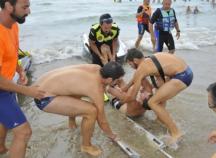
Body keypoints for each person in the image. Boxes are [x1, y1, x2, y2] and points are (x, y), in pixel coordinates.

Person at [32, 62, 125, 156]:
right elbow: (102, 120)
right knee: (92, 111)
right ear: (109, 79)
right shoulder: (95, 88)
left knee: (79, 88)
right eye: (117, 81)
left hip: (38, 86)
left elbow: (80, 85)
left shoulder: (97, 68)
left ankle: (71, 122)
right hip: (43, 99)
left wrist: (112, 86)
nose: (117, 83)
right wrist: (111, 135)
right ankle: (86, 146)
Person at [0, 0, 45, 157]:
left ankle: (1, 149)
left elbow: (12, 52)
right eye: (24, 7)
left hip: (6, 84)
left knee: (4, 121)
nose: (29, 11)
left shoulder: (13, 25)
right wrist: (28, 91)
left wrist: (20, 70)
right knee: (24, 132)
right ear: (8, 5)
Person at [122, 48, 193, 144]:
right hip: (186, 72)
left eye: (130, 64)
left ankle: (176, 133)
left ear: (135, 60)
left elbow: (133, 95)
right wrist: (126, 88)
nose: (132, 67)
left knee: (152, 102)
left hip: (181, 76)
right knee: (159, 93)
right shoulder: (149, 60)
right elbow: (139, 78)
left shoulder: (142, 67)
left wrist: (123, 100)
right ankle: (160, 119)